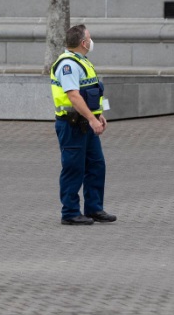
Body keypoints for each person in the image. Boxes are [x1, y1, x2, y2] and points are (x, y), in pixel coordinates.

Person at [50, 24, 117, 225]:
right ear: (83, 42)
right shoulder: (67, 65)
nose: (91, 41)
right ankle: (70, 212)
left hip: (86, 123)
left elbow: (93, 91)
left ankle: (94, 208)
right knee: (73, 168)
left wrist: (99, 114)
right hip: (72, 125)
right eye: (89, 37)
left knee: (96, 166)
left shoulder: (83, 62)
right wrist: (91, 118)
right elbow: (74, 96)